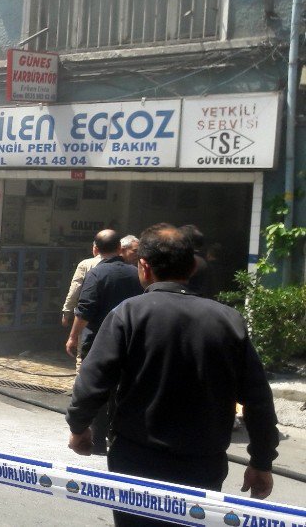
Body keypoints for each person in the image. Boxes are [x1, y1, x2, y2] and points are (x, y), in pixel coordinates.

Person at [67, 224, 279, 526]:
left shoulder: (128, 314)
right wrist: (261, 461)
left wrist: (79, 427)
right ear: (192, 267)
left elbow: (93, 381)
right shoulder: (228, 321)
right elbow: (257, 399)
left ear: (143, 267)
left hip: (136, 461)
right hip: (203, 465)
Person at [66, 229, 143, 454]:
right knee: (124, 390)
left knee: (98, 390)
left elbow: (85, 309)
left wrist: (73, 336)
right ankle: (119, 437)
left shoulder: (97, 274)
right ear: (120, 248)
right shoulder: (135, 273)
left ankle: (98, 441)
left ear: (95, 250)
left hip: (99, 341)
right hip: (130, 341)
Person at [61, 242, 100, 328]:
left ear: (95, 248)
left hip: (87, 314)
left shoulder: (86, 264)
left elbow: (75, 289)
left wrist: (67, 312)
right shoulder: (126, 265)